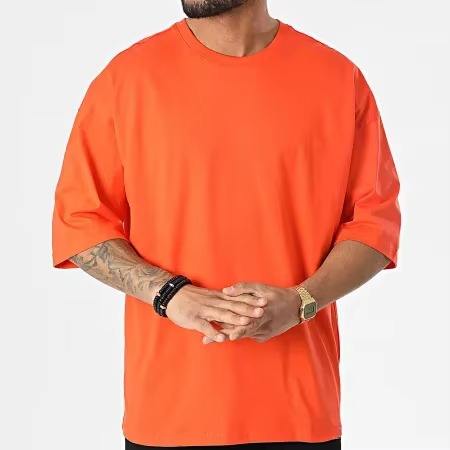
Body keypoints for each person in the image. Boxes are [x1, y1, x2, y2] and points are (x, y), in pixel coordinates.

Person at [51, 0, 401, 449]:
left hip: (299, 412)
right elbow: (81, 222)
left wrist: (301, 301)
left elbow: (374, 223)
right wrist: (168, 294)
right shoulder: (127, 79)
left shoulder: (337, 78)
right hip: (169, 413)